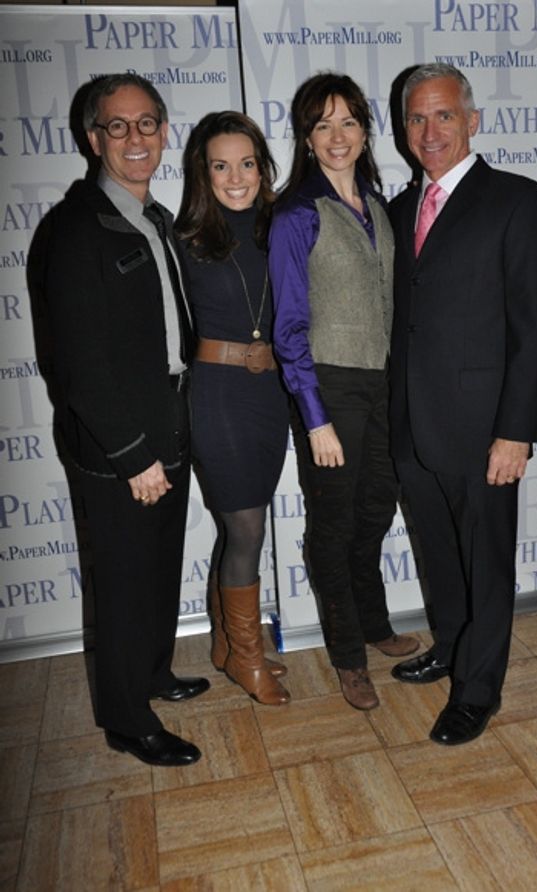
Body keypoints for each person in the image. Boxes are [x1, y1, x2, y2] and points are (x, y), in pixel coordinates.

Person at [389, 63, 537, 745]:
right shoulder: (402, 208)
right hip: (414, 426)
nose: (430, 131)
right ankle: (452, 647)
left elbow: (535, 328)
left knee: (486, 563)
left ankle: (477, 689)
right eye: (416, 118)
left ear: (472, 120)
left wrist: (516, 432)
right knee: (439, 555)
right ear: (404, 128)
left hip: (486, 428)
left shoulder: (522, 202)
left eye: (443, 115)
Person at [41, 74, 209, 766]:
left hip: (168, 424)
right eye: (118, 126)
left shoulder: (155, 216)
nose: (136, 138)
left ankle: (152, 674)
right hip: (121, 448)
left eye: (148, 124)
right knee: (120, 582)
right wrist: (134, 454)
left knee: (158, 568)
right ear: (93, 138)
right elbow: (81, 368)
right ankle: (123, 717)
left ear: (165, 132)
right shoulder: (75, 231)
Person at [269, 72, 419, 712]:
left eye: (349, 122)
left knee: (376, 510)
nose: (338, 136)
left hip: (384, 385)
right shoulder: (295, 215)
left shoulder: (378, 204)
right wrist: (316, 419)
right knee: (332, 527)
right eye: (323, 124)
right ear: (307, 136)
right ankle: (348, 658)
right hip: (329, 386)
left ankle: (375, 623)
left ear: (364, 131)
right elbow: (288, 328)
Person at [176, 111, 290, 706]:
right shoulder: (186, 239)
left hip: (270, 393)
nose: (236, 177)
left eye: (246, 163)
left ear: (262, 166)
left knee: (245, 526)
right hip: (218, 395)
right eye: (221, 165)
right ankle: (246, 658)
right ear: (203, 172)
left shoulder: (283, 227)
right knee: (245, 527)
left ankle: (227, 643)